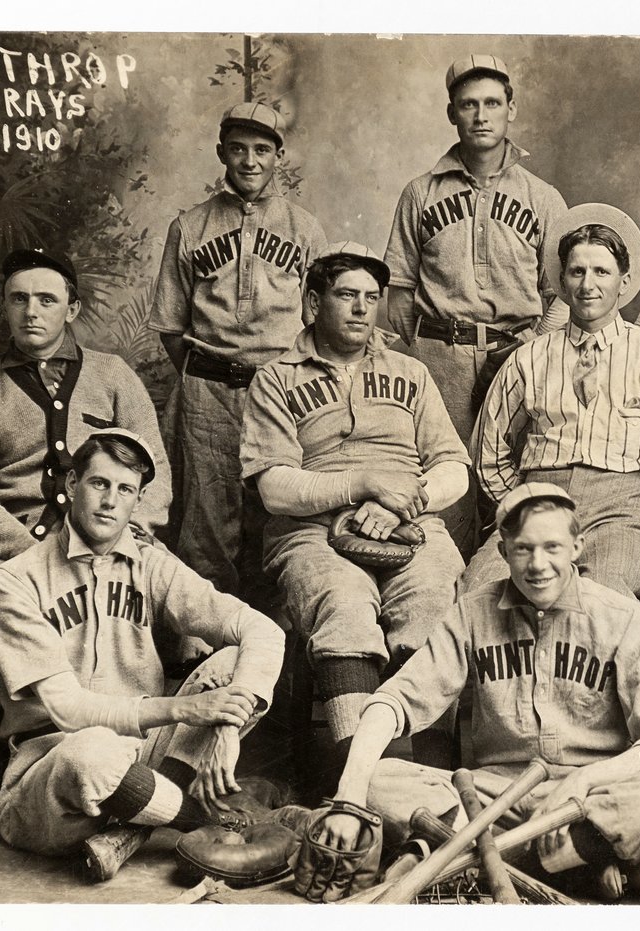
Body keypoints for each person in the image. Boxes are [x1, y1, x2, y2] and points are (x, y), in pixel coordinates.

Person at [315, 483, 640, 896]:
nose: (538, 564)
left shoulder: (621, 617)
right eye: (524, 549)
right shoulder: (473, 612)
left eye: (552, 548)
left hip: (588, 801)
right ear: (503, 551)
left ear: (577, 547)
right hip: (492, 798)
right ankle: (569, 864)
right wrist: (348, 798)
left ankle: (443, 854)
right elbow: (393, 701)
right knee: (377, 777)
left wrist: (581, 783)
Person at [0, 247, 172, 827]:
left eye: (47, 299)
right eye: (18, 299)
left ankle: (151, 763)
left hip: (114, 540)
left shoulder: (113, 377)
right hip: (15, 550)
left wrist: (123, 536)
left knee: (176, 628)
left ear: (72, 308)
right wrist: (38, 558)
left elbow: (153, 476)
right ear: (5, 309)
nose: (31, 312)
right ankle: (10, 755)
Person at [0, 429, 289, 878]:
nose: (110, 501)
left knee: (231, 666)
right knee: (89, 751)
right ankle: (206, 819)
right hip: (55, 778)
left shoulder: (152, 564)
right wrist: (188, 707)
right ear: (71, 486)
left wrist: (226, 726)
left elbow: (260, 629)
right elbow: (68, 710)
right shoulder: (13, 582)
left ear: (138, 500)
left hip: (145, 757)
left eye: (125, 489)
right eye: (98, 483)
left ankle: (140, 819)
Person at [239, 242, 469, 797]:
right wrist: (360, 485)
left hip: (410, 521)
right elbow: (272, 486)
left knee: (435, 595)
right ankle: (360, 781)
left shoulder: (410, 372)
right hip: (310, 529)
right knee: (343, 600)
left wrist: (400, 501)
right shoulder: (276, 378)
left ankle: (431, 779)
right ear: (313, 303)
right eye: (347, 295)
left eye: (372, 297)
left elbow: (454, 467)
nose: (363, 309)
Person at [466, 203, 640, 599]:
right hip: (540, 502)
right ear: (562, 279)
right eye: (577, 272)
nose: (587, 285)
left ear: (624, 282)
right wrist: (519, 501)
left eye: (601, 272)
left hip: (623, 511)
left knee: (600, 599)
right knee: (482, 593)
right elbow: (486, 451)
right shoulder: (529, 357)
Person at [383, 54, 569, 556]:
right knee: (442, 483)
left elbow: (563, 296)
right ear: (452, 114)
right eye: (469, 105)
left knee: (514, 481)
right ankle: (443, 599)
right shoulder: (419, 193)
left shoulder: (543, 197)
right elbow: (399, 294)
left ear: (511, 109)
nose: (481, 115)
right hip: (439, 357)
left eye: (492, 103)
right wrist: (425, 349)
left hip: (517, 353)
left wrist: (535, 345)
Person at [149, 101, 327, 605]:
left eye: (262, 150)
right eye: (239, 149)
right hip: (209, 390)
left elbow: (319, 321)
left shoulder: (304, 228)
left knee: (283, 514)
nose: (250, 161)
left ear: (278, 157)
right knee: (207, 521)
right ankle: (208, 645)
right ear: (221, 153)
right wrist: (205, 373)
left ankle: (283, 647)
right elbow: (169, 324)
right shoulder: (190, 226)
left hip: (282, 391)